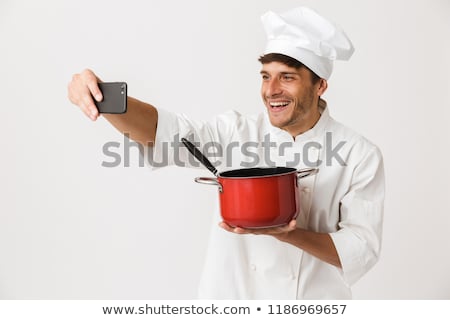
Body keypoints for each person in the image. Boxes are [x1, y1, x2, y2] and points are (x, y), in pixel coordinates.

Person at [68, 7, 385, 299]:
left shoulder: (359, 154)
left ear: (320, 86)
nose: (271, 89)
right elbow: (162, 132)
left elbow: (361, 248)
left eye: (287, 77)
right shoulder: (235, 133)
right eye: (265, 75)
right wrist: (103, 96)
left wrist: (290, 235)